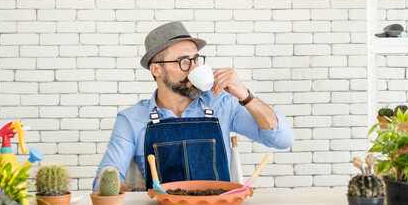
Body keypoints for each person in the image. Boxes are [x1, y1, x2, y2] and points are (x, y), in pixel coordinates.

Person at [93, 21, 294, 191]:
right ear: (157, 70)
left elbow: (283, 139)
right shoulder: (132, 119)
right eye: (183, 61)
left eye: (196, 59)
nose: (194, 68)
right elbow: (103, 181)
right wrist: (139, 198)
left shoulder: (221, 103)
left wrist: (245, 95)